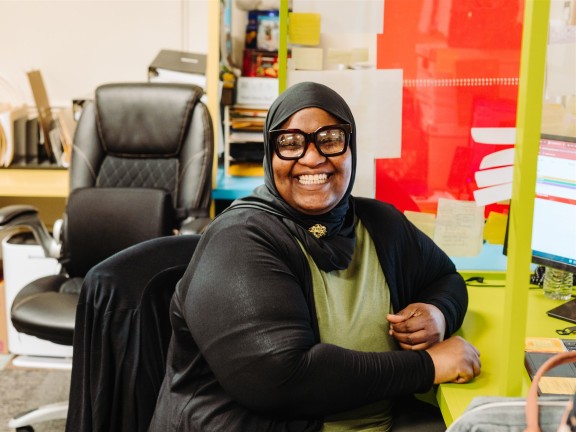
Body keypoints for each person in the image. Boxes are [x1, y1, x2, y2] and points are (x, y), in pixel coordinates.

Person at [149, 81, 481, 431]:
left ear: (351, 148)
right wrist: (428, 366)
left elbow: (445, 278)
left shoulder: (380, 224)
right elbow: (283, 378)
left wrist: (438, 314)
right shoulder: (240, 241)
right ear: (270, 154)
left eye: (330, 139)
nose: (312, 157)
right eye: (290, 143)